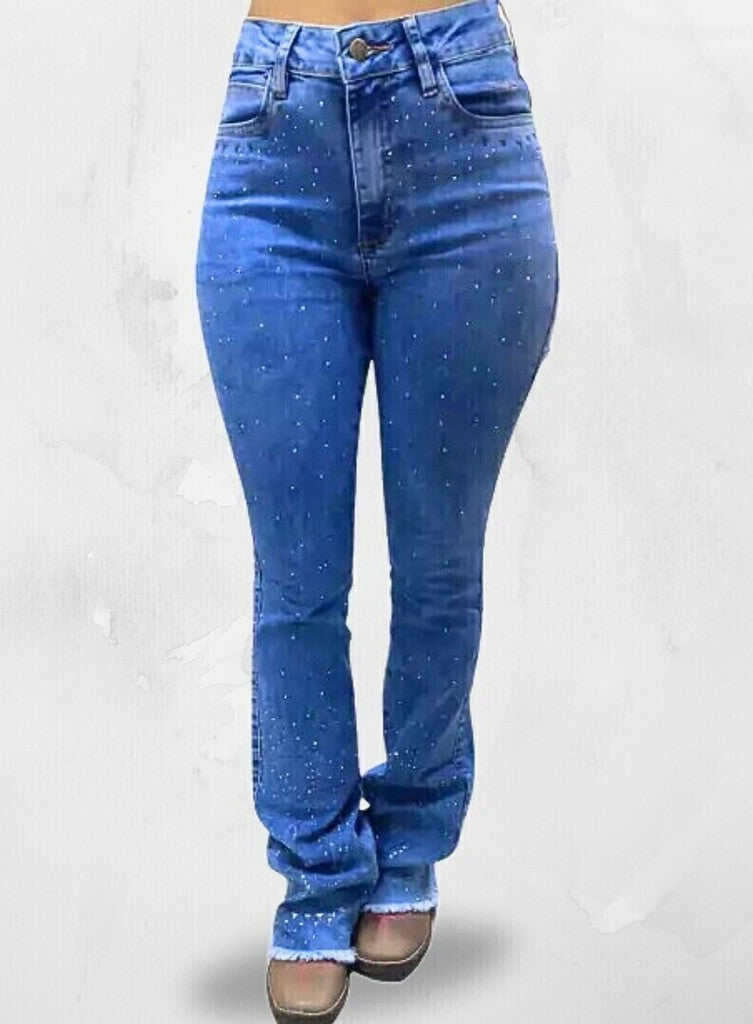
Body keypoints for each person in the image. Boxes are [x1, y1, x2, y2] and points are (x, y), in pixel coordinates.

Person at [195, 0, 559, 1020]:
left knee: (439, 559)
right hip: (275, 134)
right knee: (296, 578)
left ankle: (411, 834)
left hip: (463, 128)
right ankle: (318, 873)